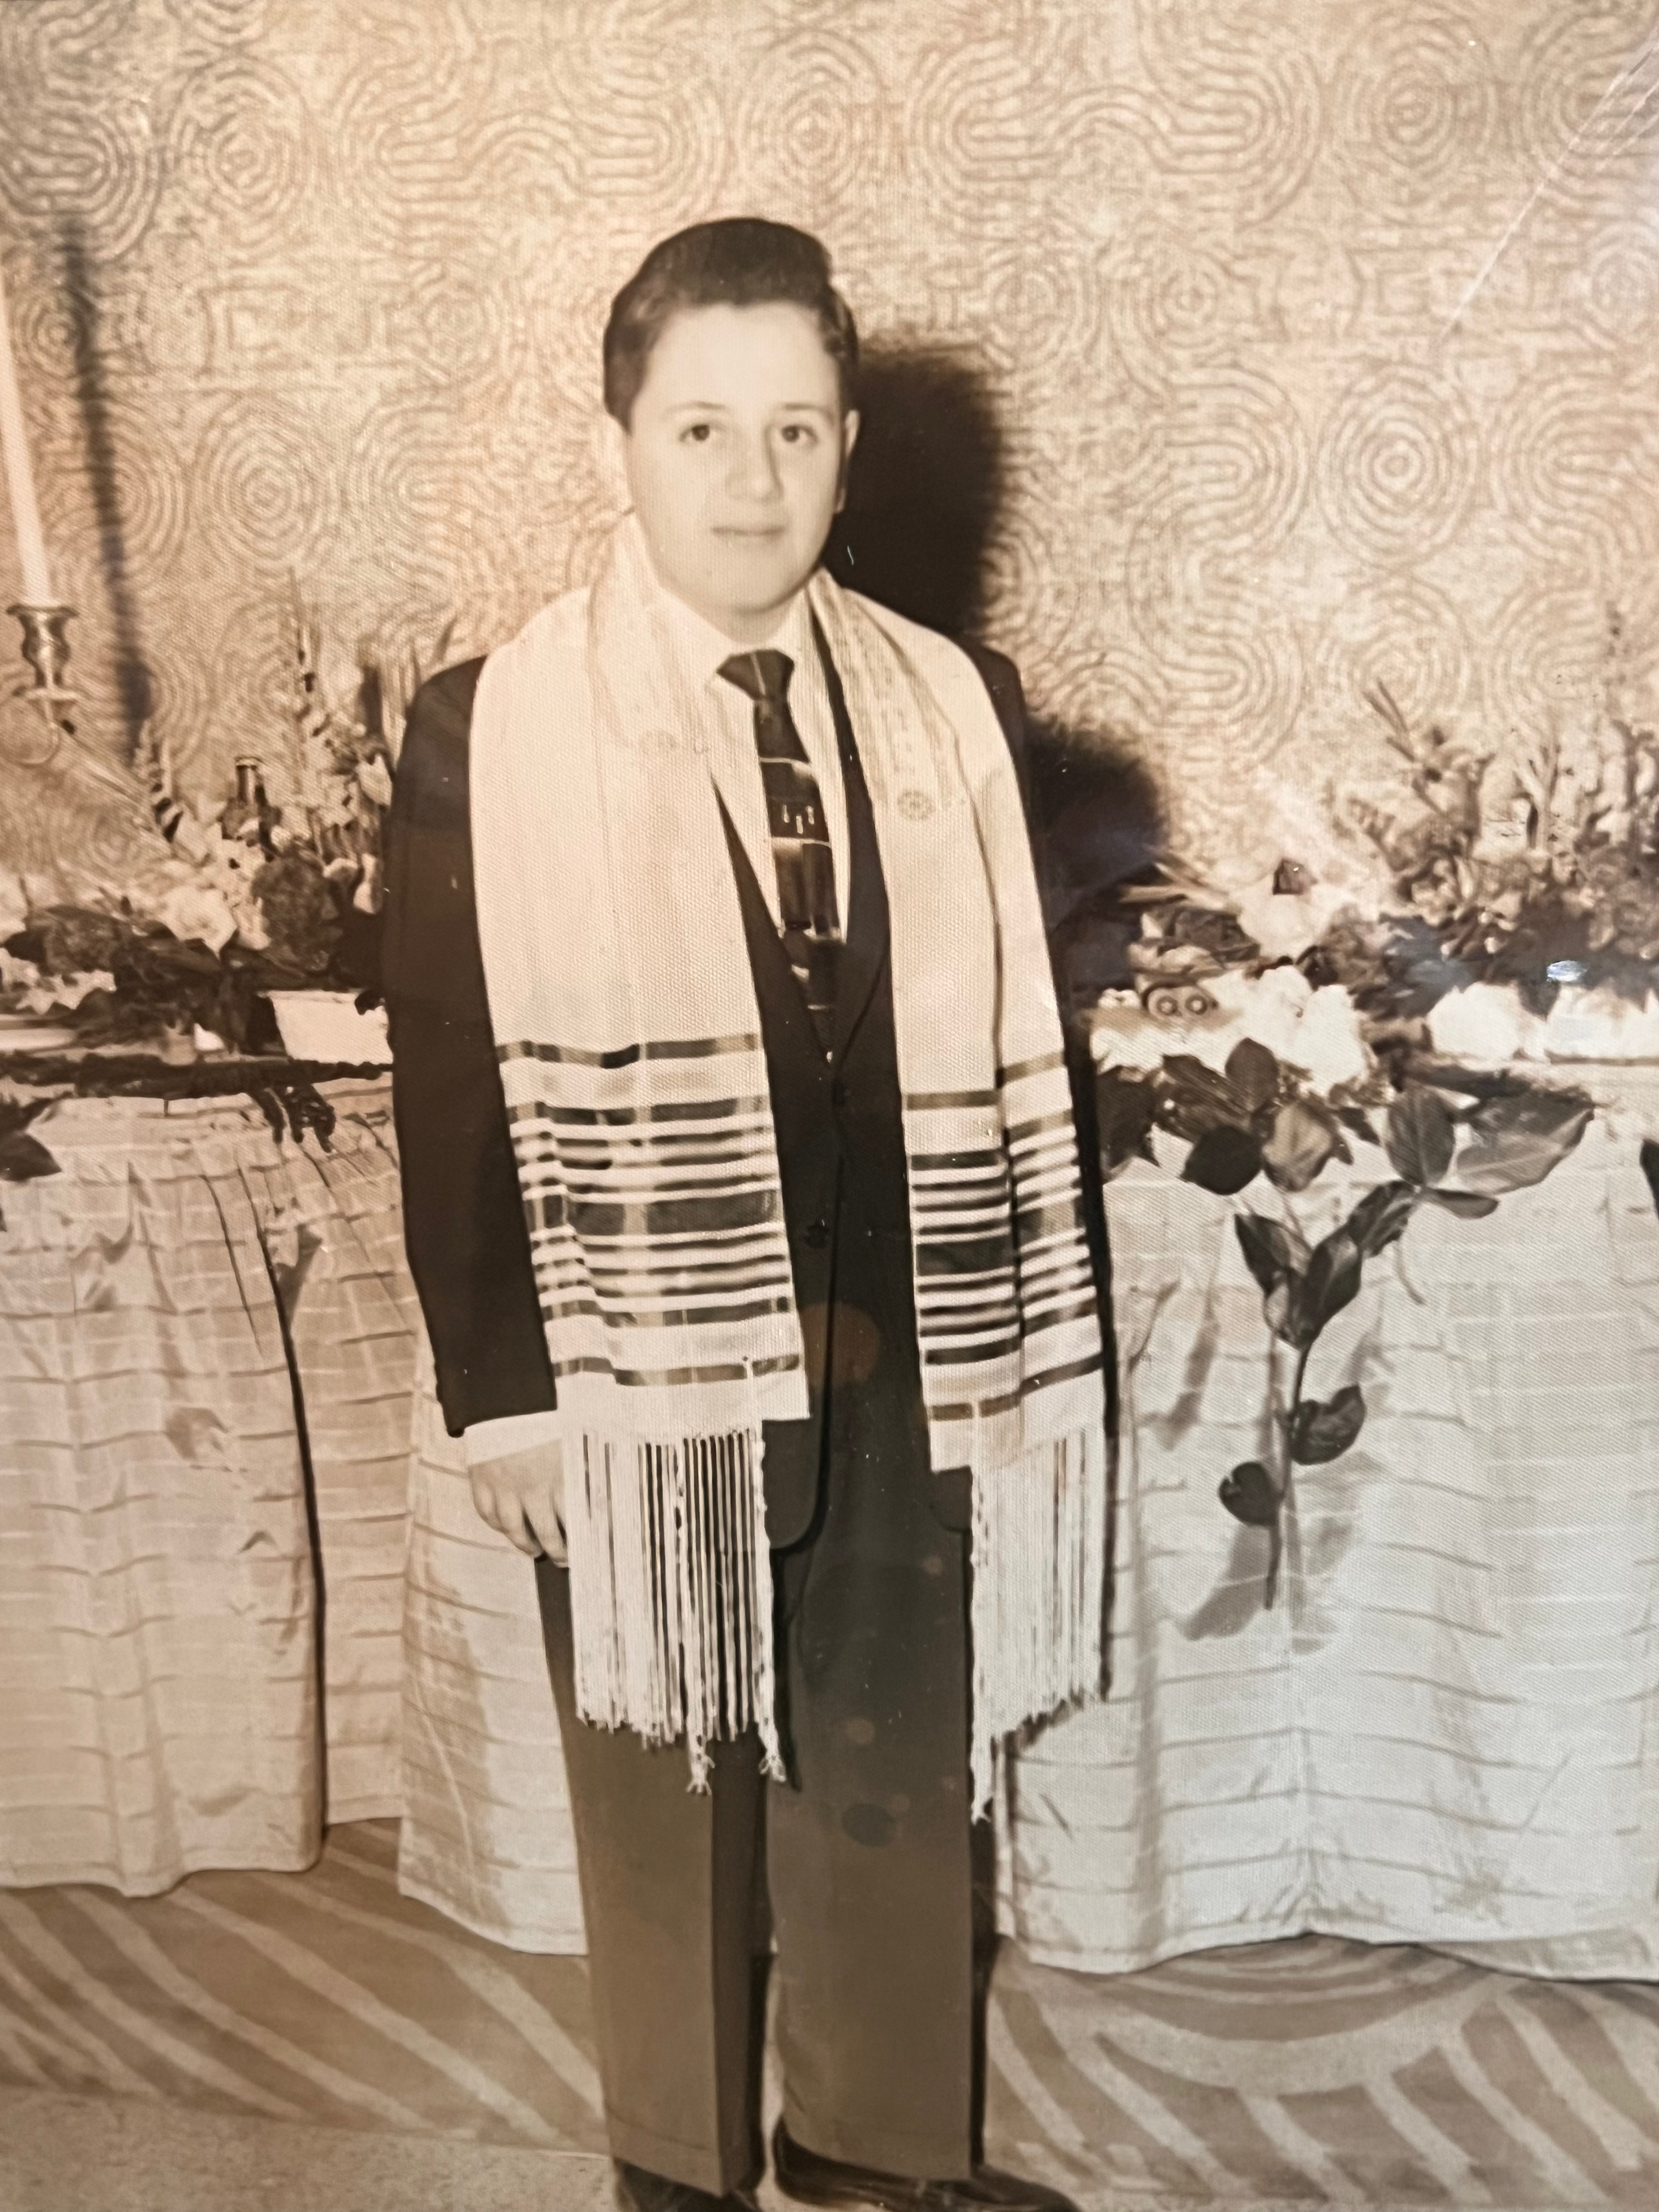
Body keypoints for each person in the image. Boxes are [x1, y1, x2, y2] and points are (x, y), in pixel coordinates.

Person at [383, 218, 1109, 2212]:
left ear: (850, 449)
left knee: (889, 1750)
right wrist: (505, 1396)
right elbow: (449, 1086)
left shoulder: (953, 699)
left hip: (908, 1328)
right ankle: (679, 2163)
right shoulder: (491, 723)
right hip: (634, 1330)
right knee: (667, 1770)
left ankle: (871, 2145)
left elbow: (1009, 1036)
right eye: (700, 426)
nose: (751, 478)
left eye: (796, 428)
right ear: (618, 442)